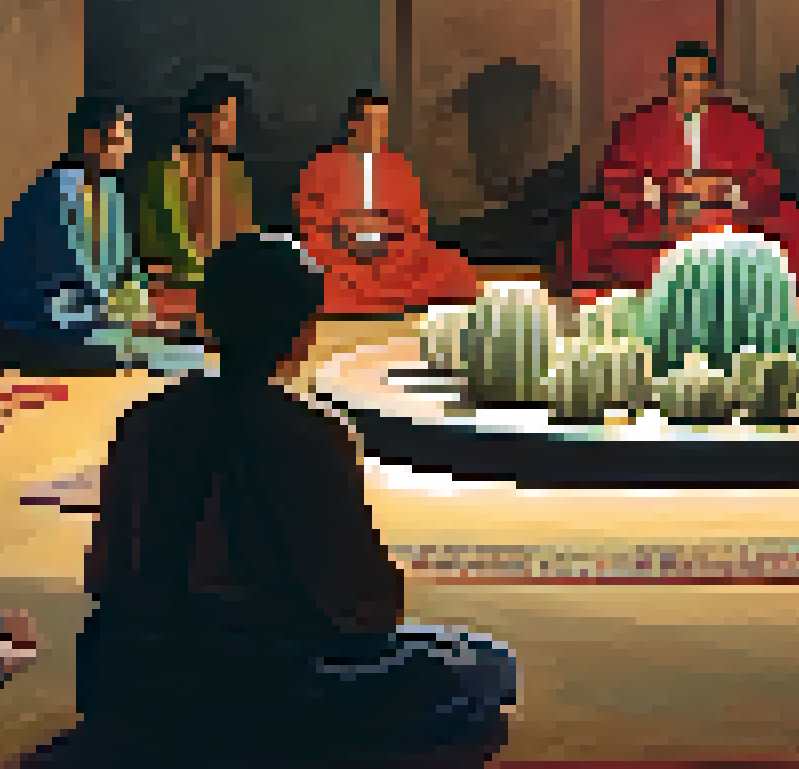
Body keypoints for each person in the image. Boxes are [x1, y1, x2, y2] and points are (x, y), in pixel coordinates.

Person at [77, 233, 517, 763]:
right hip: (272, 684)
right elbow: (365, 608)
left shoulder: (144, 422)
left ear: (206, 324)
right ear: (303, 332)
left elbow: (103, 575)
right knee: (484, 665)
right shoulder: (309, 432)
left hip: (133, 679)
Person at [560, 41, 799, 298]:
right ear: (672, 81)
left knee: (792, 218)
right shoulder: (639, 123)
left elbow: (765, 180)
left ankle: (788, 296)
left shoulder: (741, 123)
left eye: (698, 78)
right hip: (659, 215)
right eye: (684, 78)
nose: (690, 86)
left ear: (710, 83)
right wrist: (666, 188)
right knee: (590, 218)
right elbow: (615, 180)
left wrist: (724, 187)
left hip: (726, 214)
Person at [0, 97, 190, 373]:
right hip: (44, 328)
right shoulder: (53, 197)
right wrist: (125, 313)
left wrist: (146, 291)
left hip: (94, 320)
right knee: (167, 364)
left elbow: (122, 268)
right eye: (118, 141)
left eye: (126, 139)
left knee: (187, 354)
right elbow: (57, 291)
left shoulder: (108, 191)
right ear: (91, 140)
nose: (127, 149)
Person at [294, 91, 481, 316]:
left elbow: (417, 226)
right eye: (371, 122)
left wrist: (388, 238)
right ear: (354, 124)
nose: (377, 130)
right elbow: (310, 224)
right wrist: (347, 236)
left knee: (453, 265)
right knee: (320, 277)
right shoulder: (322, 166)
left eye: (382, 123)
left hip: (393, 261)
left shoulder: (398, 166)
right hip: (344, 260)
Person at [135, 74, 256, 329]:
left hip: (225, 292)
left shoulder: (235, 173)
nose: (233, 127)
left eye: (234, 118)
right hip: (172, 296)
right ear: (198, 121)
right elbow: (152, 253)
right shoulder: (164, 174)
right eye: (225, 118)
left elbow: (244, 239)